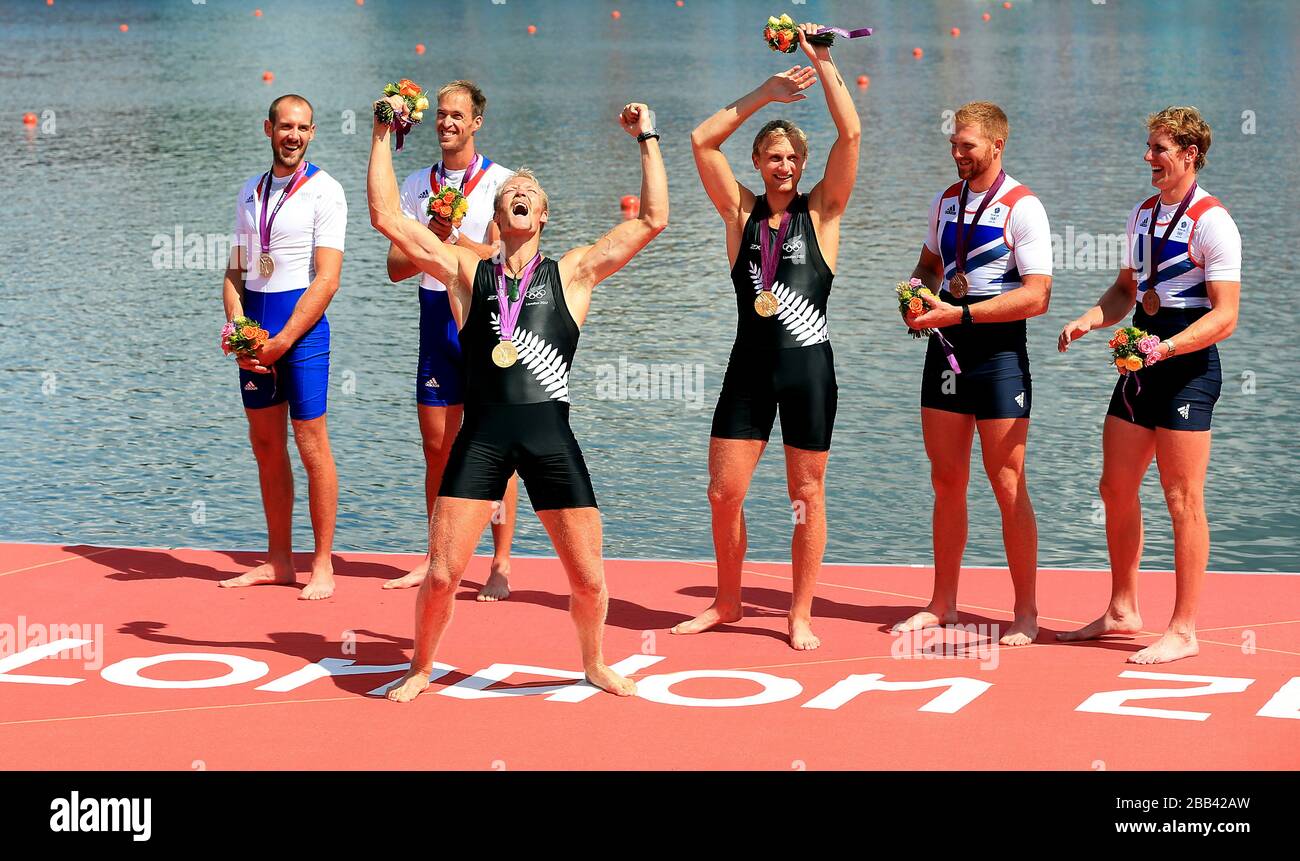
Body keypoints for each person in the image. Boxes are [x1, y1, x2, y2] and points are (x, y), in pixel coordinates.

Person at [366, 93, 667, 700]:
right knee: (445, 573)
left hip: (549, 434)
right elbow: (386, 220)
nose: (518, 196)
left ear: (544, 215)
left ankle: (594, 662)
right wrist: (380, 135)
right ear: (497, 219)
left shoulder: (575, 272)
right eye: (508, 197)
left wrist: (647, 138)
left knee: (587, 579)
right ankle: (422, 666)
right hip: (481, 434)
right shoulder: (464, 272)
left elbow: (651, 220)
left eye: (528, 194)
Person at [673, 23, 860, 651]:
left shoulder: (824, 212)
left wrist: (822, 62)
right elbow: (702, 141)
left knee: (805, 493)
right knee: (723, 492)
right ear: (757, 163)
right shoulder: (739, 214)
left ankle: (798, 612)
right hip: (748, 367)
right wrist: (768, 92)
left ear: (803, 166)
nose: (782, 166)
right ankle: (728, 602)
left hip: (807, 369)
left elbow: (852, 134)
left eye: (792, 158)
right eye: (772, 157)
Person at [1057, 106, 1240, 664]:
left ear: (1189, 155)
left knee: (1182, 498)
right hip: (1140, 367)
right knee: (1114, 488)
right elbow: (1125, 292)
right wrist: (1091, 318)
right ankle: (1122, 608)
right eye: (1149, 147)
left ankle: (1183, 629)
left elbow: (1225, 316)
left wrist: (1168, 346)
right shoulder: (1142, 215)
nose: (1148, 158)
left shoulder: (1213, 222)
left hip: (1187, 371)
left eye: (1159, 149)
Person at [893, 101, 1053, 646]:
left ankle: (1026, 612)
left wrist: (957, 312)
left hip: (999, 355)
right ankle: (943, 604)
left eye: (967, 146)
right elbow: (930, 266)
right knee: (946, 482)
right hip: (944, 347)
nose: (957, 153)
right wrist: (913, 294)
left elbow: (1038, 297)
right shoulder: (945, 200)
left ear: (996, 145)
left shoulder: (1023, 206)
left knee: (1007, 484)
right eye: (953, 145)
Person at [382, 80, 520, 600]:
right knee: (437, 447)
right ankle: (436, 556)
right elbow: (396, 267)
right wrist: (429, 233)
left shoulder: (504, 183)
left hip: (486, 317)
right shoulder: (417, 184)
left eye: (457, 115)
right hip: (435, 317)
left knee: (496, 446)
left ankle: (500, 563)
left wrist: (452, 237)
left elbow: (505, 259)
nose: (446, 123)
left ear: (476, 122)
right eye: (440, 115)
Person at [219, 94, 347, 600]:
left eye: (302, 128)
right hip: (257, 332)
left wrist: (282, 340)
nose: (293, 135)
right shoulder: (250, 191)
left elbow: (328, 279)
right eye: (284, 126)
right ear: (267, 128)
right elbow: (234, 272)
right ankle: (278, 560)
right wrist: (241, 332)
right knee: (266, 447)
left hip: (302, 335)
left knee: (312, 445)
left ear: (312, 133)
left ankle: (321, 565)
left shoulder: (326, 191)